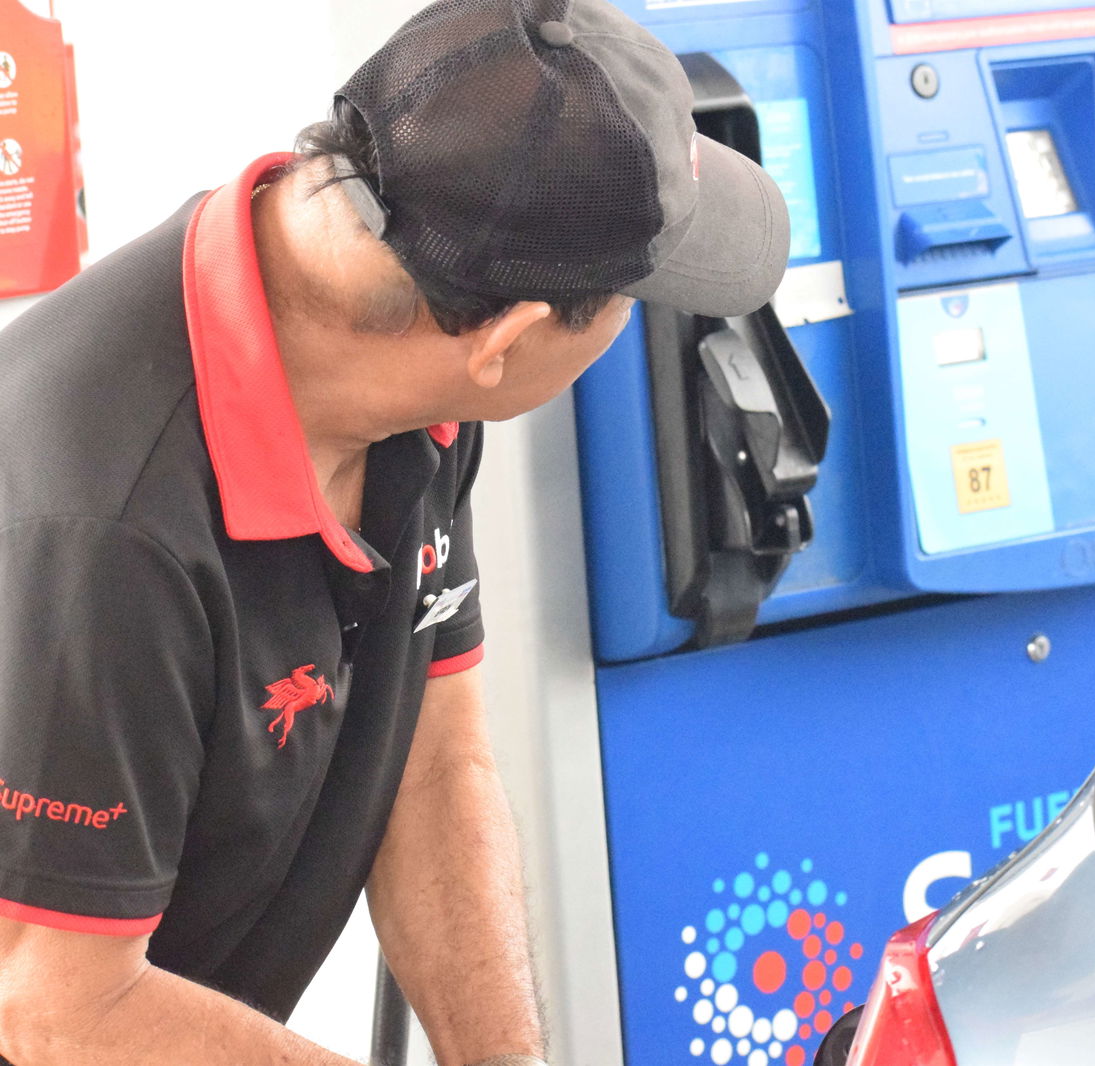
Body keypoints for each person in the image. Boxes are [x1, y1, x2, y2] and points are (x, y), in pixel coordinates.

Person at [0, 0, 789, 1062]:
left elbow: (432, 763)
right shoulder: (100, 525)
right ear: (506, 342)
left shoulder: (407, 370)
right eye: (634, 299)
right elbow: (56, 1011)